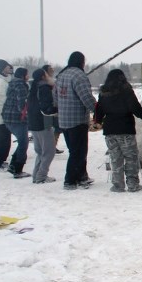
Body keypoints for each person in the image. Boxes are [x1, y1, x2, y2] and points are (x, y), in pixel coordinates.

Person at [94, 69, 142, 192]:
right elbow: (136, 108)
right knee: (131, 158)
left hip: (110, 131)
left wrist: (98, 121)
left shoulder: (103, 93)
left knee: (115, 159)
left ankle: (117, 185)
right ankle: (132, 184)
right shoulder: (126, 91)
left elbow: (98, 112)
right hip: (126, 129)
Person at [54, 51, 97, 190]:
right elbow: (86, 97)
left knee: (74, 149)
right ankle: (70, 180)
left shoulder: (62, 75)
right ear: (81, 62)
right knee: (78, 151)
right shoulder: (79, 75)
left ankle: (82, 176)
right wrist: (98, 110)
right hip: (77, 120)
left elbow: (55, 96)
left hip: (64, 120)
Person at [27, 68, 57, 183]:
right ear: (43, 77)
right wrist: (56, 110)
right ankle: (41, 176)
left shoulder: (33, 88)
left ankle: (36, 175)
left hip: (33, 123)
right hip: (43, 123)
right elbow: (46, 108)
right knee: (49, 151)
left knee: (40, 151)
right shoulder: (44, 88)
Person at [1, 67, 31, 178]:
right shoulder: (21, 85)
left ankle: (14, 165)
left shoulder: (12, 83)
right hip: (17, 119)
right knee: (23, 143)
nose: (28, 76)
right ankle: (17, 168)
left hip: (7, 117)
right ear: (23, 75)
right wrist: (26, 116)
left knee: (22, 142)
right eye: (27, 74)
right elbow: (22, 104)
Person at [42, 64, 64, 154]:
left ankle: (53, 146)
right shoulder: (44, 83)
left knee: (57, 128)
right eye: (50, 69)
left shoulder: (53, 81)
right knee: (48, 129)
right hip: (48, 110)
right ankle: (49, 147)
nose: (53, 70)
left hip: (55, 109)